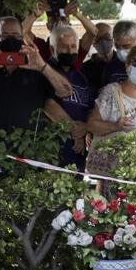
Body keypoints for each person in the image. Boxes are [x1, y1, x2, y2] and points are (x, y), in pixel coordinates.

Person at [87, 45, 136, 143]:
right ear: (127, 65)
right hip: (114, 156)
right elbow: (91, 125)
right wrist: (115, 126)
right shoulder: (111, 92)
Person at [48, 24, 94, 169]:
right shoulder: (46, 73)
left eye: (73, 46)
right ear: (52, 49)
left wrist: (85, 129)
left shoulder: (82, 77)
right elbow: (48, 105)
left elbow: (90, 108)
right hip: (51, 152)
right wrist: (75, 132)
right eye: (64, 47)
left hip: (77, 154)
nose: (70, 51)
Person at [22, 0, 96, 65]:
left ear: (69, 24)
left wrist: (77, 14)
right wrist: (35, 14)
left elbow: (93, 32)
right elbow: (23, 32)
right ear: (48, 26)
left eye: (63, 18)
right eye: (54, 19)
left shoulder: (75, 48)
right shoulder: (40, 47)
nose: (58, 21)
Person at [83, 25, 115, 96]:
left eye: (107, 37)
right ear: (92, 42)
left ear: (113, 39)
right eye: (98, 38)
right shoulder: (85, 68)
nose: (103, 41)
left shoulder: (123, 63)